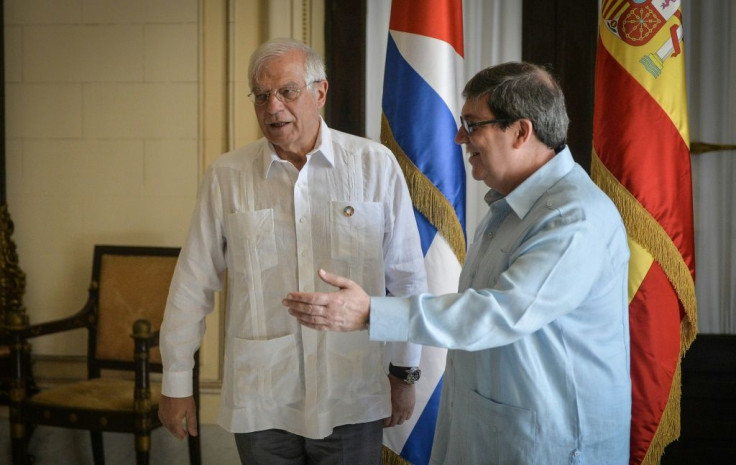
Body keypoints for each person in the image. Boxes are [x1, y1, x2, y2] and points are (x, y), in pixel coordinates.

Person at [284, 62, 632, 464]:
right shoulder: (512, 204)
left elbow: (499, 312)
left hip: (550, 443)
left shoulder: (574, 218)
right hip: (496, 434)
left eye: (473, 123)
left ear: (521, 131)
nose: (458, 136)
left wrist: (371, 313)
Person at [158, 38, 428, 465]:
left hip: (351, 393)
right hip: (261, 398)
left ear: (320, 93)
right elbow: (192, 284)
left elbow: (408, 279)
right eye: (261, 96)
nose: (273, 108)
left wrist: (404, 371)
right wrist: (176, 382)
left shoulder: (374, 166)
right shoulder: (226, 176)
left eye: (287, 92)